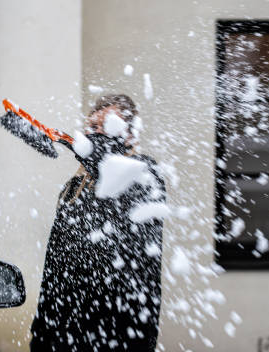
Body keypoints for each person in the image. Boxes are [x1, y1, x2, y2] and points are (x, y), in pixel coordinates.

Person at [30, 94, 166, 351]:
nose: (96, 133)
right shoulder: (73, 188)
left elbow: (117, 211)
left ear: (130, 136)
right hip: (62, 337)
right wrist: (40, 333)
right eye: (92, 127)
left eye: (106, 126)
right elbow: (55, 267)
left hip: (120, 336)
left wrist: (97, 157)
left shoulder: (144, 175)